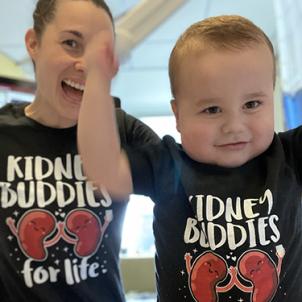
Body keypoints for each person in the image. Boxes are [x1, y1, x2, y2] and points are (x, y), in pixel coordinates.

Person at [78, 14, 302, 301]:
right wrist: (97, 81)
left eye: (252, 104)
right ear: (178, 115)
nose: (234, 125)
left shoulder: (288, 157)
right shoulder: (168, 165)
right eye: (211, 109)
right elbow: (102, 170)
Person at [0, 0, 159, 301]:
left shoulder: (121, 130)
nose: (86, 65)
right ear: (33, 43)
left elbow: (192, 185)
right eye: (71, 43)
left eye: (100, 52)